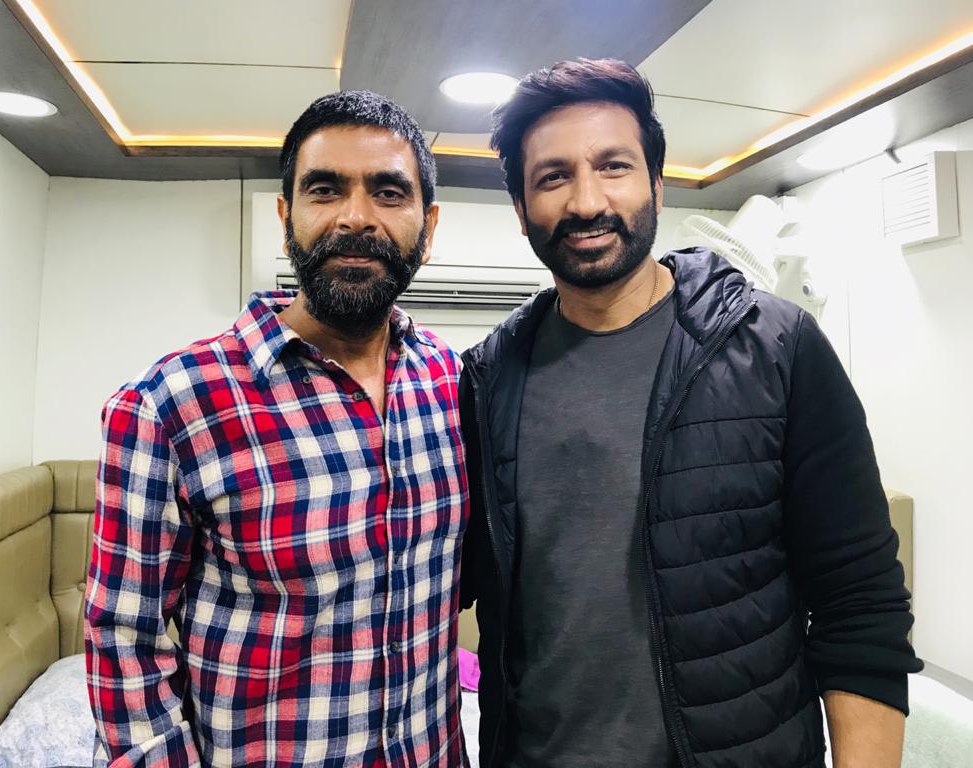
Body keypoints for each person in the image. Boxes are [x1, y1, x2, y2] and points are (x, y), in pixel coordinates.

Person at [458, 58, 921, 768]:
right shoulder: (487, 379)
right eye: (553, 177)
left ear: (656, 183)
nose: (587, 200)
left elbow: (859, 603)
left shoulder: (778, 348)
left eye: (613, 166)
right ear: (522, 210)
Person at [86, 90, 469, 768]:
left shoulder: (454, 384)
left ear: (428, 226)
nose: (356, 217)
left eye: (388, 192)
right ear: (286, 216)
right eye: (326, 190)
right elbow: (123, 642)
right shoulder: (169, 406)